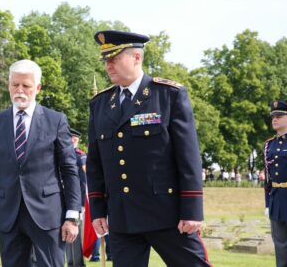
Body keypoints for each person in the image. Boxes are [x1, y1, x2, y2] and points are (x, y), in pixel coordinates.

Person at [86, 30, 210, 266]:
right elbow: (95, 163)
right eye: (106, 60)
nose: (108, 65)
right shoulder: (100, 104)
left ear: (136, 57)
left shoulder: (167, 95)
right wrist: (98, 209)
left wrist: (192, 210)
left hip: (167, 214)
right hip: (122, 218)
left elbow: (189, 157)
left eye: (114, 58)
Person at [0, 59, 82, 267]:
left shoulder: (56, 120)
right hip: (8, 216)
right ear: (9, 85)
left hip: (49, 215)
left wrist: (72, 216)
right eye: (15, 84)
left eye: (26, 85)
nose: (20, 90)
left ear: (38, 87)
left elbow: (70, 170)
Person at [264, 100, 287, 267]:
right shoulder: (268, 146)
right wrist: (267, 204)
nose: (274, 119)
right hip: (277, 200)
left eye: (279, 116)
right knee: (280, 247)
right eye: (273, 116)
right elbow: (267, 178)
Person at [66, 128, 86, 267]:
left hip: (76, 200)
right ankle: (71, 262)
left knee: (75, 234)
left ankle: (77, 264)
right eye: (71, 137)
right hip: (63, 199)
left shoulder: (80, 156)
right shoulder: (63, 153)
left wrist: (83, 203)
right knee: (66, 235)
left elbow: (84, 180)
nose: (73, 140)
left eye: (75, 138)